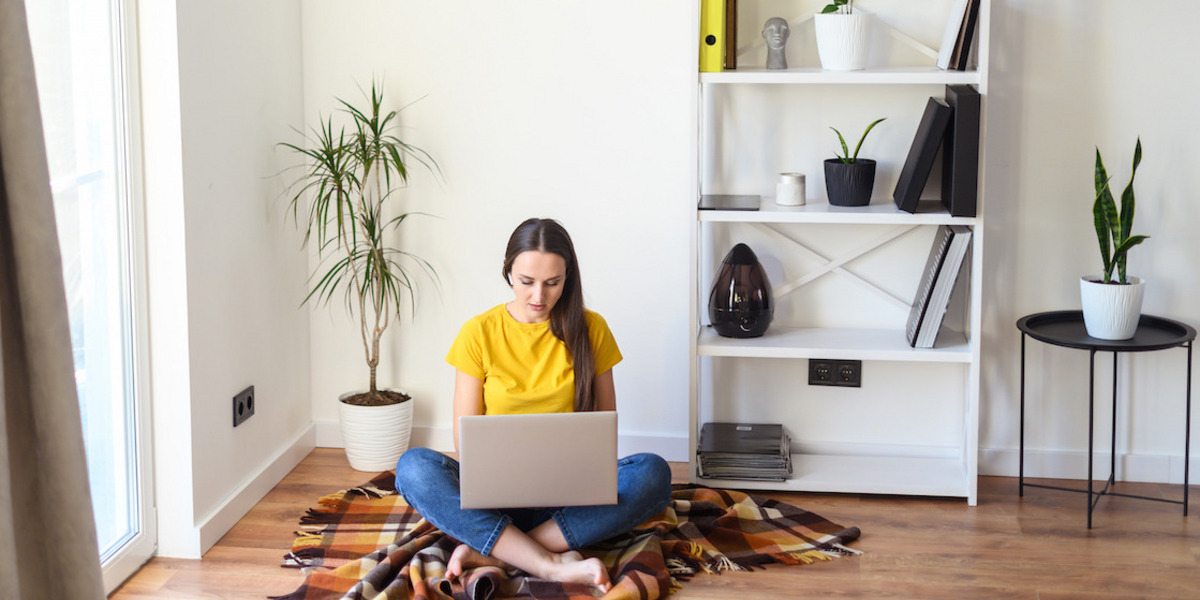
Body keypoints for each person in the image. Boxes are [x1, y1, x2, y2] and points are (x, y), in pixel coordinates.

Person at [394, 218, 672, 593]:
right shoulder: (478, 332)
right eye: (527, 281)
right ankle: (549, 561)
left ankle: (500, 551)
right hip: (494, 500)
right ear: (508, 270)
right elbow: (465, 441)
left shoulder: (593, 330)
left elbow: (605, 433)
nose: (539, 295)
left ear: (567, 277)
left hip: (569, 500)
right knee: (414, 468)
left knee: (653, 473)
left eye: (552, 283)